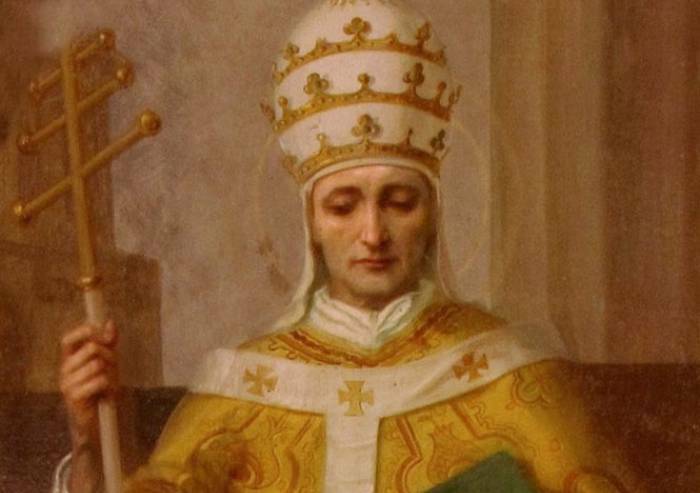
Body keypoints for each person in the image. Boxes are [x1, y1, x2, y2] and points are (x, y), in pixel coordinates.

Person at [54, 1, 643, 491]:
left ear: (433, 214)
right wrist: (89, 441)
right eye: (342, 206)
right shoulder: (241, 388)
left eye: (399, 202)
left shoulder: (511, 375)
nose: (372, 233)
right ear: (309, 221)